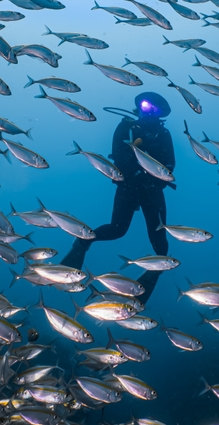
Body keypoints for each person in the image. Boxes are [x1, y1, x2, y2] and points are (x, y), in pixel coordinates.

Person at [61, 92, 175, 303]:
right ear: (139, 107)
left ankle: (149, 279)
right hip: (128, 187)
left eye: (155, 109)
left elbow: (170, 164)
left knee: (161, 243)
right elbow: (118, 156)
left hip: (153, 190)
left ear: (161, 113)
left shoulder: (164, 134)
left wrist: (155, 181)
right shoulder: (126, 127)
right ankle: (82, 243)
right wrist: (136, 174)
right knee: (117, 230)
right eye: (146, 105)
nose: (149, 111)